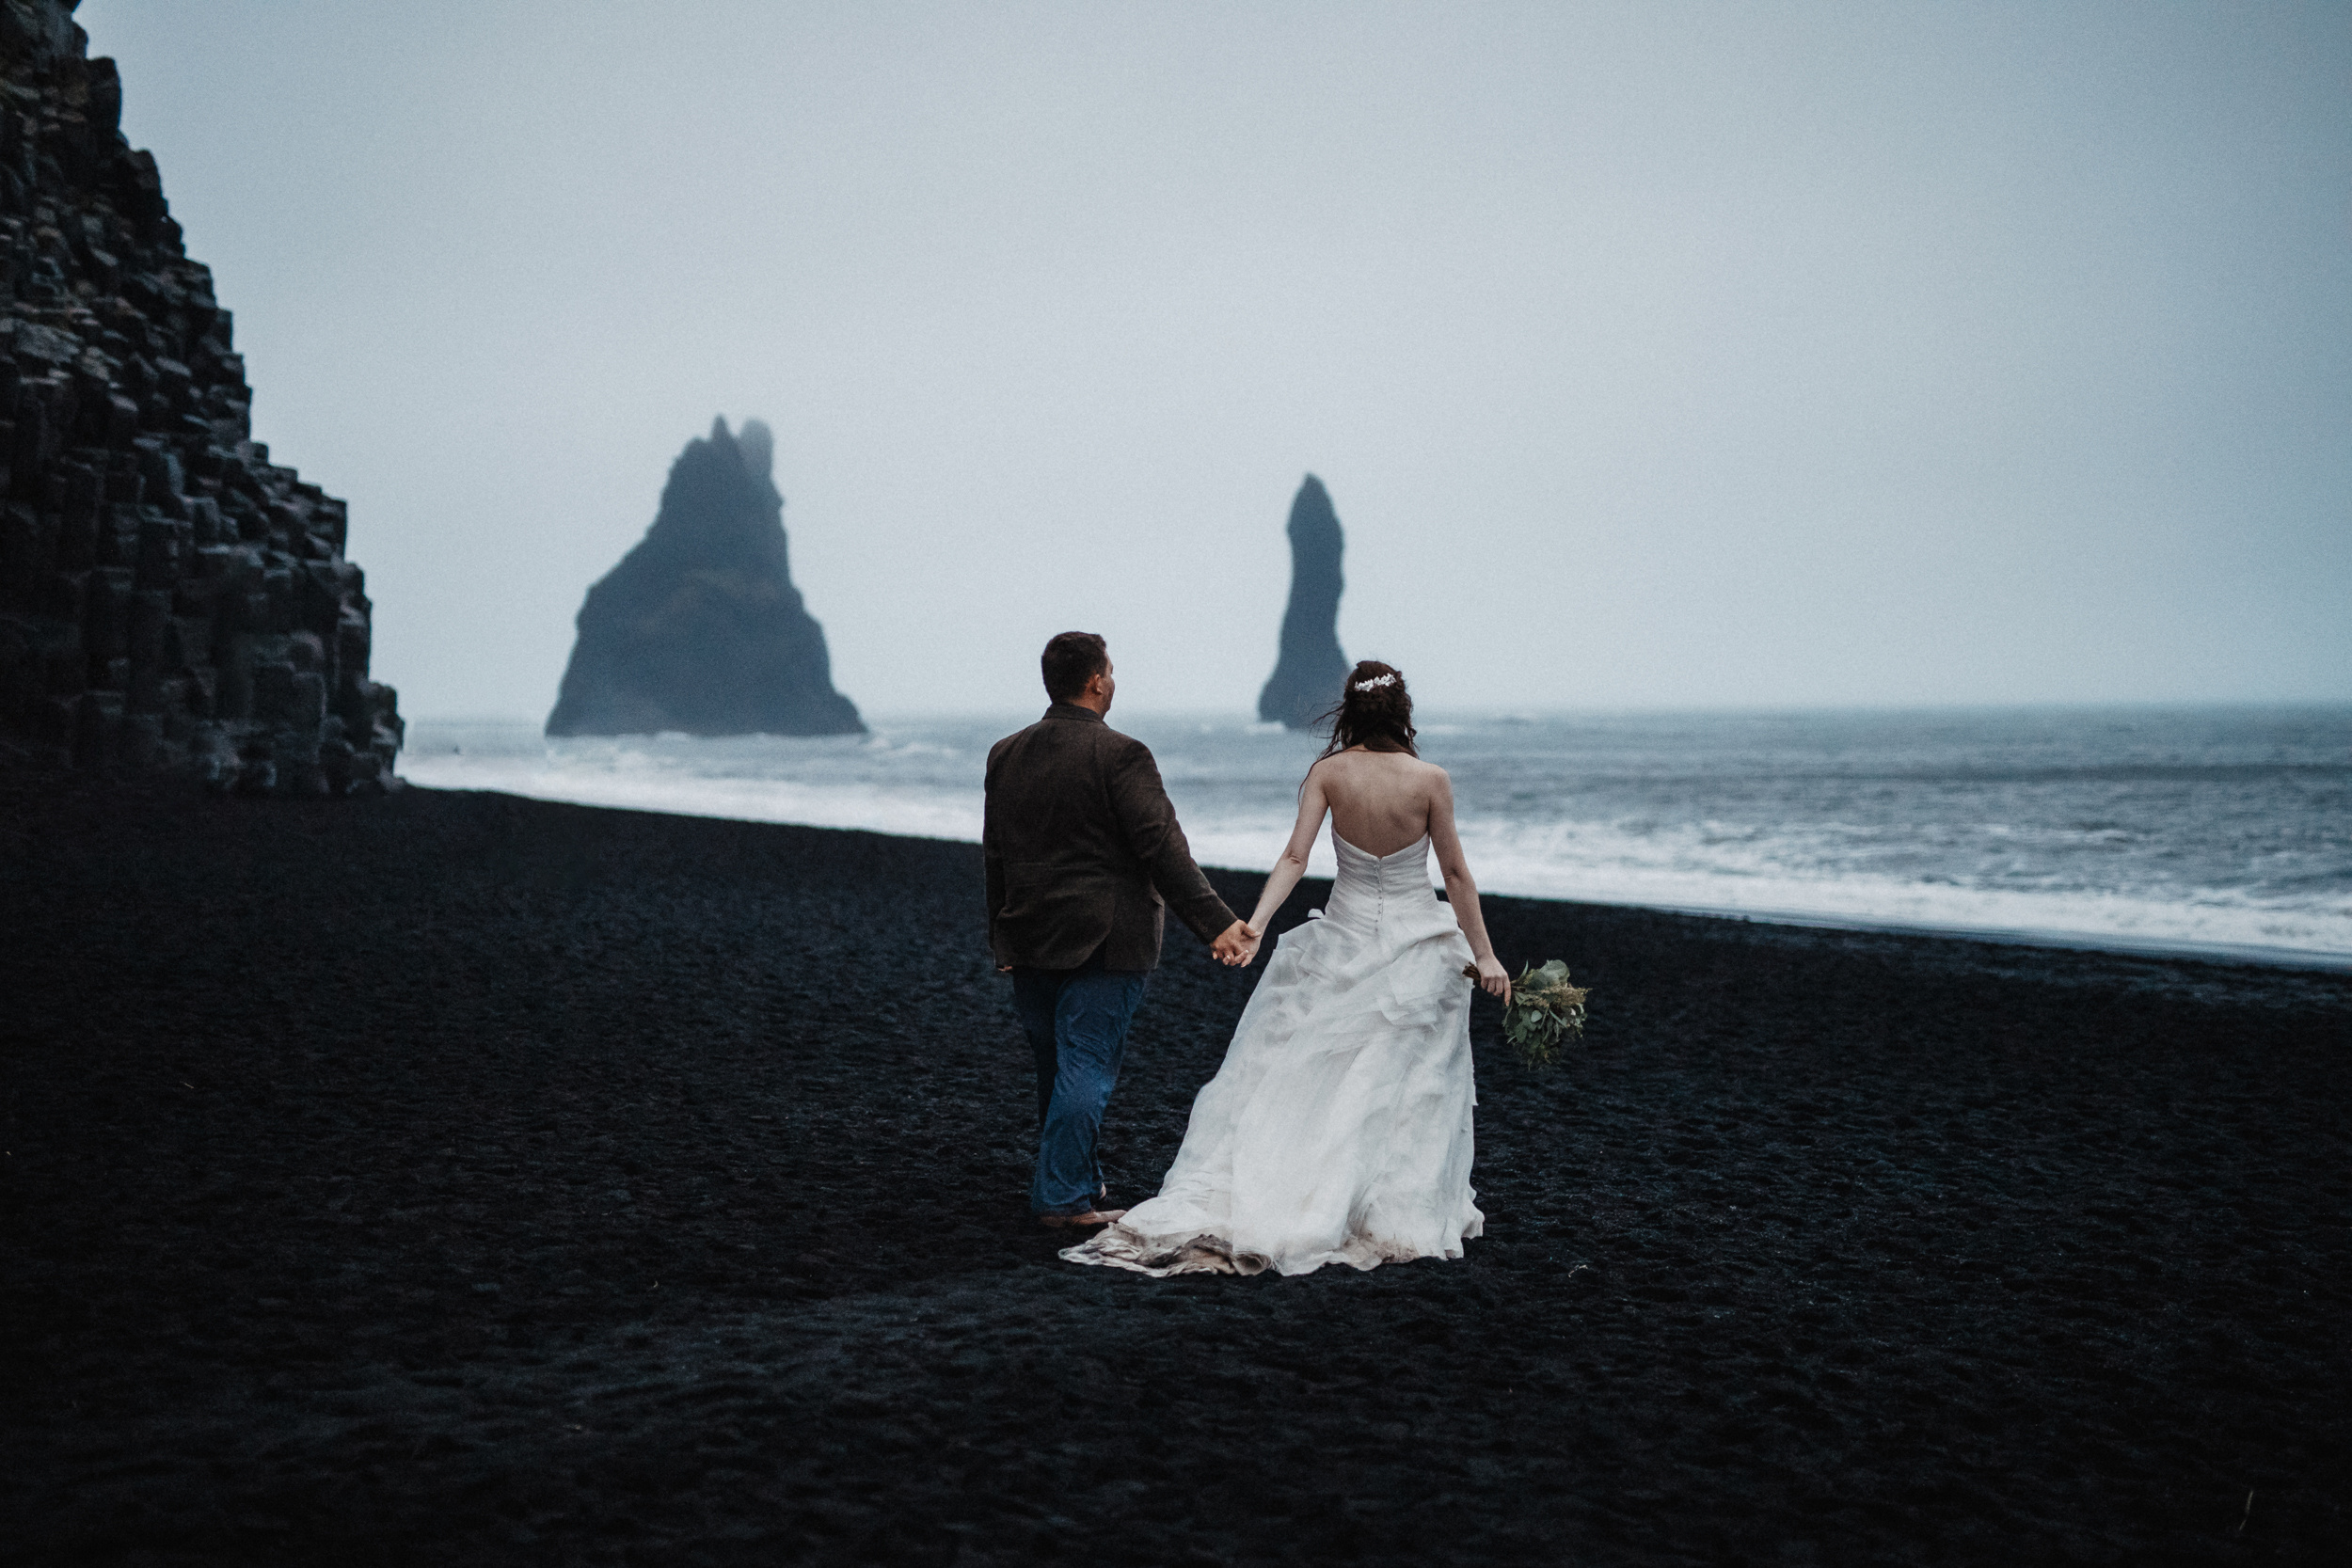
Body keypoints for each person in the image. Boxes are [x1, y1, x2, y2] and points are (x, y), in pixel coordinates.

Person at [1062, 659, 1510, 1276]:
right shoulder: (1430, 779)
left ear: (1350, 711)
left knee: (1320, 1075)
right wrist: (1484, 953)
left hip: (1344, 938)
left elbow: (1295, 855)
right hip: (1417, 942)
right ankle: (1389, 1207)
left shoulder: (1328, 773)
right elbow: (1456, 875)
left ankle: (1318, 1192)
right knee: (1407, 1083)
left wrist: (1258, 921)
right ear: (1403, 712)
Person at [985, 631, 1257, 1229]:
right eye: (1111, 672)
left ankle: (1072, 1181)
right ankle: (1062, 1202)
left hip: (1030, 933)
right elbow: (1160, 845)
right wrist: (1216, 924)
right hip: (1105, 939)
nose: (1114, 681)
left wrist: (999, 936)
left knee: (1057, 1067)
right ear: (1097, 682)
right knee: (1086, 1065)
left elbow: (996, 853)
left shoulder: (1005, 752)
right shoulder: (1122, 754)